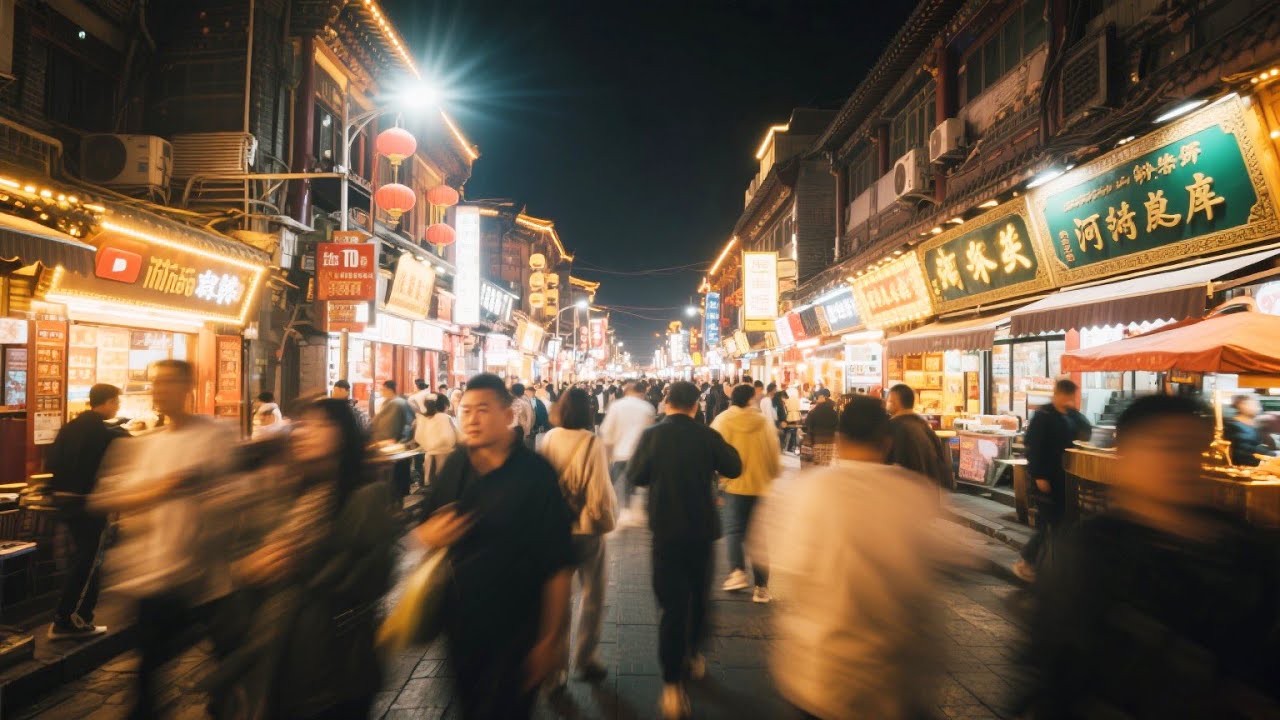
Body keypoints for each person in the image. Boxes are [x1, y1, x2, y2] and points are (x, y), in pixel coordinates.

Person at [1020, 394, 1280, 718]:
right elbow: (1048, 673)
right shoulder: (1089, 551)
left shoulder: (1241, 548)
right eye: (1167, 447)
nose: (1182, 462)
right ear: (1127, 458)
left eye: (1193, 448)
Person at [214, 397, 396, 719]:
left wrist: (299, 565)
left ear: (345, 435)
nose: (305, 432)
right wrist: (248, 568)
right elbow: (244, 558)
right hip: (281, 658)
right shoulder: (293, 495)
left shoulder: (365, 496)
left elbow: (375, 576)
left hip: (334, 665)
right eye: (303, 425)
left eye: (321, 424)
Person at [769, 396, 944, 719]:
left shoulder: (809, 491)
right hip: (894, 682)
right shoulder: (912, 493)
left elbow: (784, 568)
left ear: (839, 439)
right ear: (887, 442)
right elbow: (937, 564)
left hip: (821, 676)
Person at [414, 374, 574, 718]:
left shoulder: (536, 473)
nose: (470, 418)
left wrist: (552, 638)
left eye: (482, 410)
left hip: (520, 627)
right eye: (465, 410)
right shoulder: (457, 465)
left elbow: (559, 561)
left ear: (507, 415)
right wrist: (432, 535)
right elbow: (423, 530)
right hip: (461, 626)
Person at [90, 360, 240, 719]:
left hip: (210, 577)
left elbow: (237, 494)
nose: (160, 390)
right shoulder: (141, 445)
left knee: (229, 664)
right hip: (156, 577)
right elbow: (104, 499)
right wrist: (164, 488)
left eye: (169, 382)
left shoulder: (216, 435)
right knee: (148, 674)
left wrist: (212, 494)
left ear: (189, 386)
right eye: (156, 383)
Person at [626, 381, 742, 719]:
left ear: (667, 402)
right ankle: (692, 655)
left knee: (672, 606)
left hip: (665, 531)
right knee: (699, 596)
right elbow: (734, 466)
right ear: (695, 405)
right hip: (702, 531)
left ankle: (672, 686)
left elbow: (635, 475)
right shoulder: (706, 435)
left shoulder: (653, 435)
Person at [536, 388, 617, 688]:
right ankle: (585, 658)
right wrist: (604, 521)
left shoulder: (549, 439)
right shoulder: (592, 442)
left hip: (553, 529)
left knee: (557, 598)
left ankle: (556, 669)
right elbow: (599, 491)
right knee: (592, 595)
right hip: (585, 530)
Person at [46, 383, 128, 639]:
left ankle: (75, 617)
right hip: (88, 503)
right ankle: (69, 618)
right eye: (116, 402)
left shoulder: (70, 427)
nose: (118, 406)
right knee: (90, 561)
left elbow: (52, 463)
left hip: (63, 502)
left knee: (81, 558)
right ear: (109, 402)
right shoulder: (106, 431)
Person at [1014, 378, 1092, 583]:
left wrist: (1074, 411)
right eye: (1066, 396)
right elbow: (1033, 447)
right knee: (1051, 522)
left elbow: (1086, 431)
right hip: (1046, 479)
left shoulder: (1071, 416)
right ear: (1057, 394)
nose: (1069, 400)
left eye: (1072, 397)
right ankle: (1028, 561)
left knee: (1062, 522)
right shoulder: (1043, 416)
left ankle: (1051, 566)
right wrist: (1039, 475)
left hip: (1065, 478)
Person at [711, 384, 780, 603]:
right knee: (758, 538)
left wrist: (717, 481)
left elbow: (713, 452)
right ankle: (761, 587)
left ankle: (738, 572)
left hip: (734, 485)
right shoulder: (763, 422)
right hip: (760, 485)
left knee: (733, 531)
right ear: (750, 399)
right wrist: (772, 474)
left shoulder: (722, 421)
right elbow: (773, 452)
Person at [599, 380, 656, 527]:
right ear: (641, 393)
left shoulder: (617, 406)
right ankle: (635, 509)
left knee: (616, 481)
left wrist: (607, 449)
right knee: (636, 481)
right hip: (640, 453)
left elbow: (606, 430)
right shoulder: (647, 407)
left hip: (620, 452)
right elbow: (651, 432)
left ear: (626, 392)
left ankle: (622, 509)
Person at [886, 384, 953, 491]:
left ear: (895, 402)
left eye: (889, 401)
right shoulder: (924, 426)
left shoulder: (894, 427)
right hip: (929, 491)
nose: (887, 404)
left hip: (906, 491)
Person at [415, 394, 460, 486]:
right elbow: (457, 436)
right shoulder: (445, 418)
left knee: (431, 486)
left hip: (429, 459)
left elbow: (418, 438)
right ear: (444, 405)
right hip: (444, 459)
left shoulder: (423, 419)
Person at [1223, 394, 1277, 466]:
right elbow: (1244, 451)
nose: (1258, 408)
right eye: (1254, 404)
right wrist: (1271, 455)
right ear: (1242, 406)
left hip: (1258, 464)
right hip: (1243, 467)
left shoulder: (1255, 425)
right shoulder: (1233, 426)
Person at [803, 388, 839, 466]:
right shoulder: (834, 411)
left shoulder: (813, 412)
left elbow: (808, 424)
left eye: (818, 397)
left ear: (822, 397)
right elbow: (837, 426)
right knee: (828, 466)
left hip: (818, 441)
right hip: (831, 442)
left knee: (819, 467)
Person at [370, 380, 413, 445]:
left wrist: (402, 441)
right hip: (382, 439)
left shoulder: (400, 403)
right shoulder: (386, 402)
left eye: (383, 389)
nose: (381, 392)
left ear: (389, 390)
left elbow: (409, 424)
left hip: (391, 441)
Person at [528, 385, 552, 450]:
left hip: (537, 428)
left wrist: (543, 426)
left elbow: (539, 414)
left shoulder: (534, 401)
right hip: (538, 427)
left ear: (531, 392)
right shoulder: (536, 400)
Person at [782, 386, 802, 453]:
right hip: (796, 416)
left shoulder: (787, 399)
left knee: (788, 432)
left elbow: (786, 407)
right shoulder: (797, 399)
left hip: (789, 416)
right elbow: (799, 408)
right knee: (794, 432)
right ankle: (794, 447)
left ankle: (787, 447)